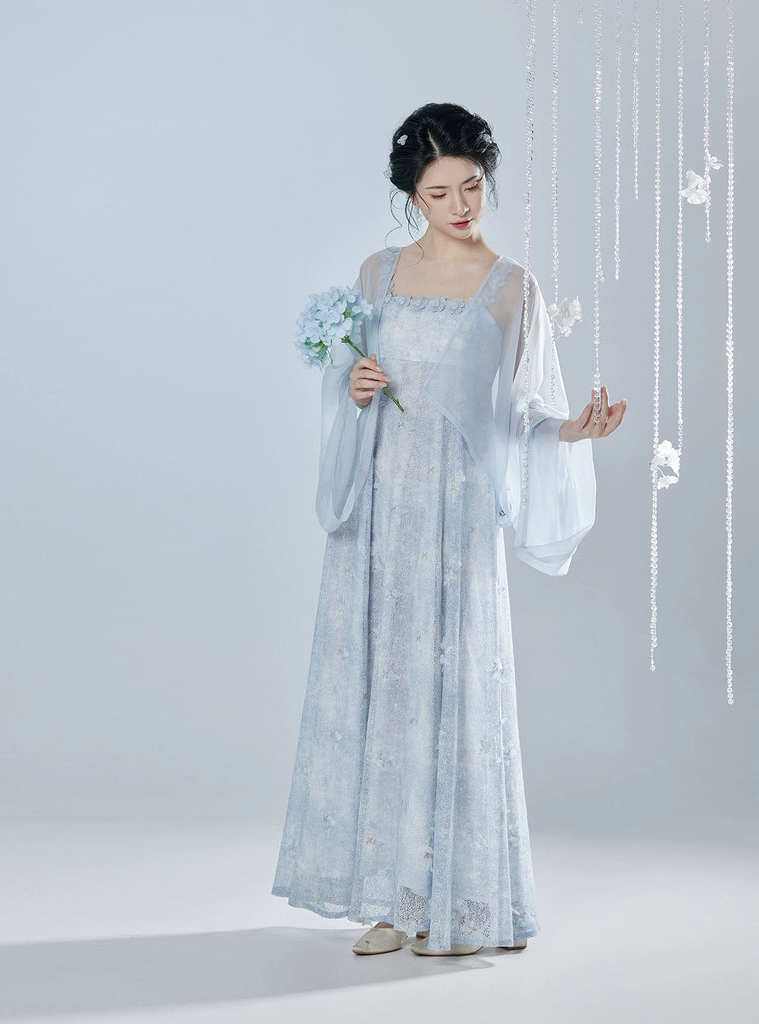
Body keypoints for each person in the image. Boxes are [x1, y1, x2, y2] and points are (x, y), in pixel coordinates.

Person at [271, 102, 627, 957]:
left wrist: (573, 431)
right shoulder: (376, 275)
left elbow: (523, 413)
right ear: (412, 197)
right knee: (386, 694)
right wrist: (354, 385)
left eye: (472, 186)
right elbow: (350, 388)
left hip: (454, 519)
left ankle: (465, 903)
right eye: (440, 192)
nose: (461, 205)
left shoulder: (511, 288)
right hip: (380, 516)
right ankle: (394, 899)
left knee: (455, 689)